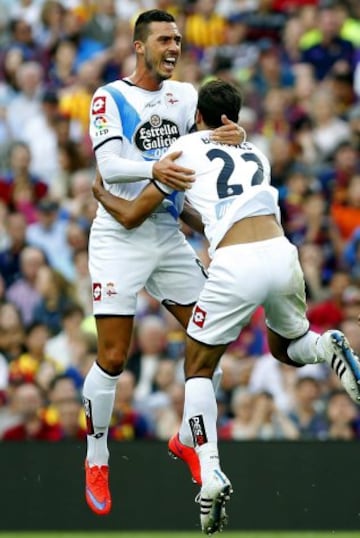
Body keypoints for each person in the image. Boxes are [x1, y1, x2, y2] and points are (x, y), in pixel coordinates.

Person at [93, 78, 360, 534]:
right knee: (287, 345)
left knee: (198, 366)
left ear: (198, 116)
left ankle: (211, 467)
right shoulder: (257, 151)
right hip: (282, 253)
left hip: (235, 263)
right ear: (233, 118)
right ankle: (326, 345)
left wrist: (100, 194)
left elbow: (134, 213)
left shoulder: (183, 150)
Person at [83, 9, 243, 517]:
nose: (174, 47)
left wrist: (232, 136)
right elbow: (108, 167)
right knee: (112, 356)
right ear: (139, 46)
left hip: (165, 231)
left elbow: (209, 144)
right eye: (164, 40)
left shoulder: (187, 96)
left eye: (178, 39)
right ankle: (97, 457)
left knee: (211, 339)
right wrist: (155, 167)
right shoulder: (110, 97)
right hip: (118, 235)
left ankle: (187, 439)